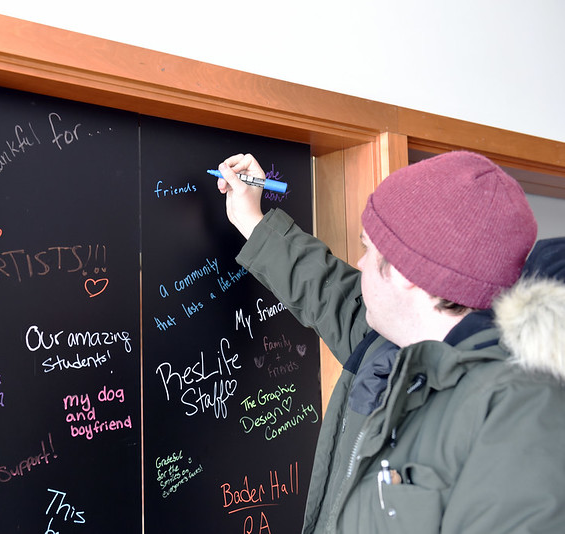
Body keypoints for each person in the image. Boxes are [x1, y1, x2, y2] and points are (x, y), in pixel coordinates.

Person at [216, 151, 565, 533]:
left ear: (409, 272)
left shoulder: (517, 418)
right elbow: (329, 291)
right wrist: (252, 218)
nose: (361, 263)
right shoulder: (387, 350)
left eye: (368, 248)